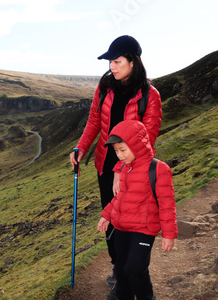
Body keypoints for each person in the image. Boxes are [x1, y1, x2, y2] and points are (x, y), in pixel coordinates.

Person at [70, 35, 162, 287]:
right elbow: (94, 121)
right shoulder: (105, 87)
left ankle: (132, 268)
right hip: (104, 164)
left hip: (134, 168)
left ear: (133, 62)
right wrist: (80, 147)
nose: (112, 66)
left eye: (118, 61)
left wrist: (122, 169)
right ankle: (116, 264)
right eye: (110, 61)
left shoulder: (149, 95)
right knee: (111, 217)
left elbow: (147, 140)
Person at [97, 120, 178, 300]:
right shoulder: (126, 167)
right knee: (120, 267)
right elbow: (121, 197)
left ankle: (146, 296)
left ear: (137, 144)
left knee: (135, 268)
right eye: (116, 151)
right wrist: (106, 216)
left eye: (123, 150)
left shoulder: (159, 169)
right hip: (121, 227)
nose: (119, 155)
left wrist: (169, 234)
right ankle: (123, 295)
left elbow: (167, 203)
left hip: (144, 229)